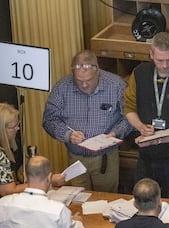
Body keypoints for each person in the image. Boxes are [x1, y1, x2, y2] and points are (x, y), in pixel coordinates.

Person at [43, 50, 133, 192]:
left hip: (106, 159)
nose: (84, 85)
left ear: (98, 72)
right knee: (78, 199)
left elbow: (129, 117)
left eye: (88, 80)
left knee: (106, 199)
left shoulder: (117, 86)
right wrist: (67, 134)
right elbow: (49, 119)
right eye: (79, 81)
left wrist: (115, 133)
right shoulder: (62, 88)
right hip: (76, 158)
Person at [124, 32, 169, 199]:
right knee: (144, 203)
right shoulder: (139, 73)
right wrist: (141, 127)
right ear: (151, 54)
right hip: (146, 157)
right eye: (160, 60)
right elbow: (129, 107)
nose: (165, 65)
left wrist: (159, 140)